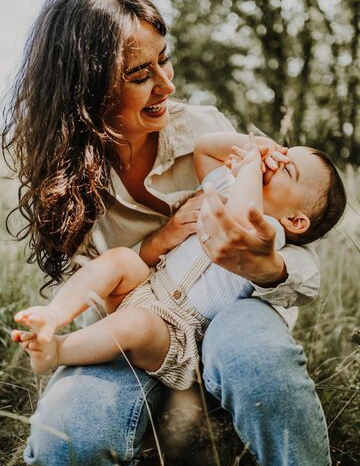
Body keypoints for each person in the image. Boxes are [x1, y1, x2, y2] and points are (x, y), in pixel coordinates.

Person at [2, 0, 338, 466]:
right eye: (141, 74)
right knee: (65, 448)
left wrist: (268, 260)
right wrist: (155, 246)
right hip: (143, 320)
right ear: (87, 88)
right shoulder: (64, 178)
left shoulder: (199, 126)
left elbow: (279, 245)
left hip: (227, 319)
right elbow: (103, 284)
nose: (167, 85)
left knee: (249, 348)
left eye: (166, 59)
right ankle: (149, 417)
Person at [12, 135, 346, 393]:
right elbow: (204, 149)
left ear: (296, 221)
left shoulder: (269, 234)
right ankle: (53, 315)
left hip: (177, 334)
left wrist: (248, 171)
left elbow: (242, 219)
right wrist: (257, 146)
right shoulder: (229, 191)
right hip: (149, 285)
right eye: (283, 152)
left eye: (287, 167)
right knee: (121, 259)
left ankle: (57, 351)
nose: (276, 161)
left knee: (135, 324)